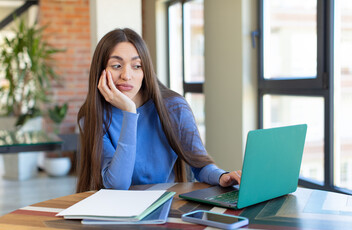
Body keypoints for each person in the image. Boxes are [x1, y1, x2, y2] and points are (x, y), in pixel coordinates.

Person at [76, 28, 241, 192]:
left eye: (137, 66)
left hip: (166, 204)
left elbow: (199, 165)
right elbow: (117, 184)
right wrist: (129, 112)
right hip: (119, 210)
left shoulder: (174, 107)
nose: (126, 75)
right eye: (117, 65)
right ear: (101, 71)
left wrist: (222, 176)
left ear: (145, 70)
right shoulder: (92, 117)